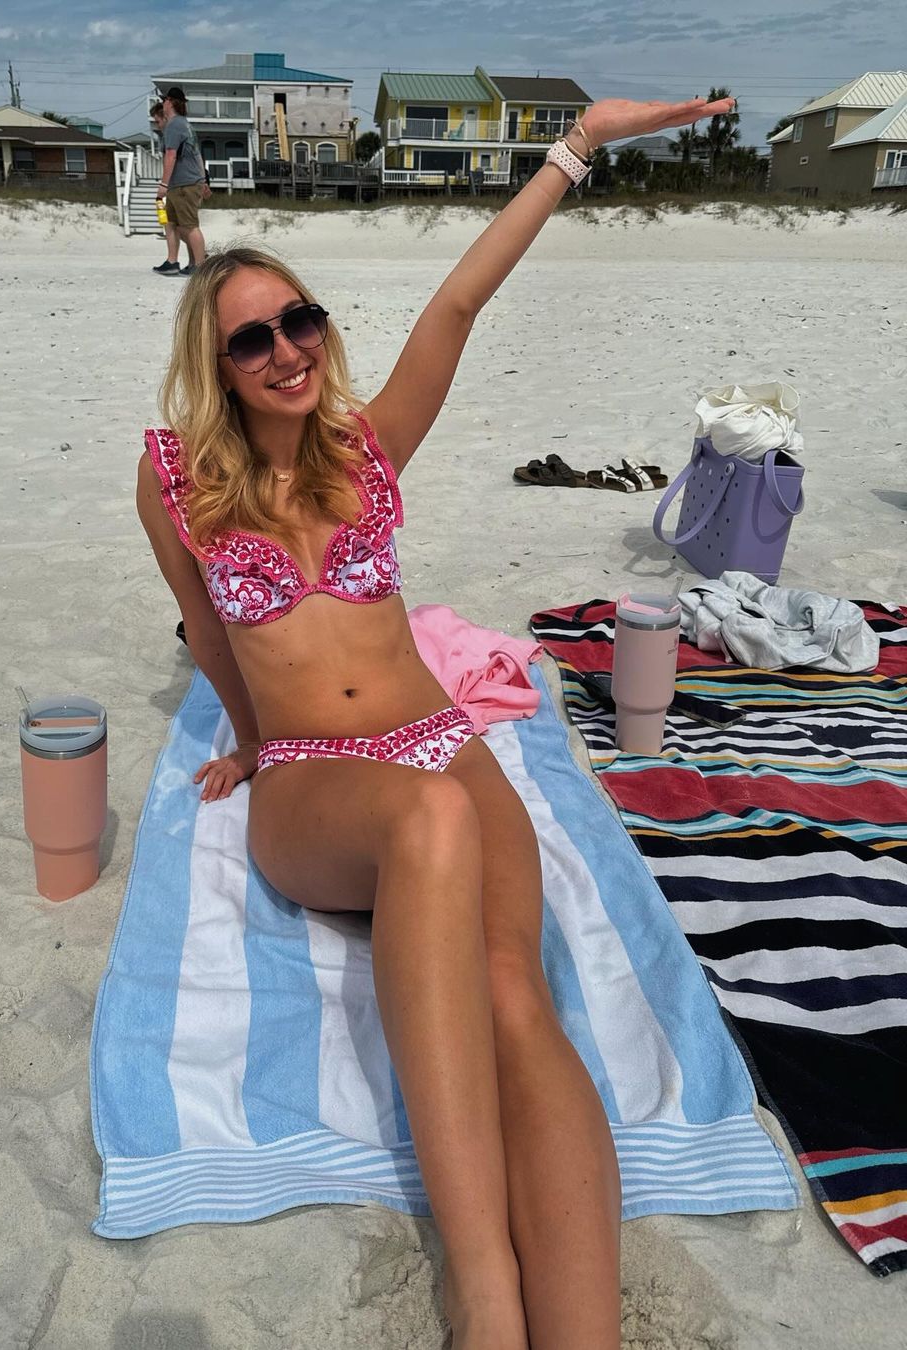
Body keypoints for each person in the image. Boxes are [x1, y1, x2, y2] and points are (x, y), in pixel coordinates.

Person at [137, 93, 734, 1350]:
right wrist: (248, 741)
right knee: (426, 819)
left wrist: (578, 146)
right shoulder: (177, 482)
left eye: (302, 320)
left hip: (437, 743)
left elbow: (458, 302)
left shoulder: (365, 451)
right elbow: (207, 631)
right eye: (253, 340)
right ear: (217, 365)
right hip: (317, 783)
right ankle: (484, 1291)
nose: (287, 350)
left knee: (516, 995)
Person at [154, 86, 210, 278]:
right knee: (173, 224)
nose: (163, 103)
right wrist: (203, 180)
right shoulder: (184, 124)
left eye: (164, 100)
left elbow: (171, 155)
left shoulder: (174, 125)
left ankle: (200, 266)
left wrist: (163, 184)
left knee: (189, 225)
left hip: (184, 184)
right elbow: (197, 155)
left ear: (170, 102)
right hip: (185, 183)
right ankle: (178, 262)